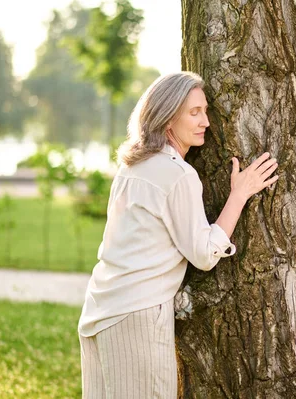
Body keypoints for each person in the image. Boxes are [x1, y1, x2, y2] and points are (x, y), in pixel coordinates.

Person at [77, 71, 279, 398]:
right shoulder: (178, 174)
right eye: (194, 112)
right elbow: (202, 253)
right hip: (136, 316)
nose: (206, 122)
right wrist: (239, 195)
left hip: (100, 307)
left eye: (205, 110)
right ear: (168, 117)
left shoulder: (132, 166)